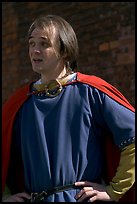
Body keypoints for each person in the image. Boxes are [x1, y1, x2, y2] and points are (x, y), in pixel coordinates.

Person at [2, 14, 135, 202]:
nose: (35, 50)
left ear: (64, 51)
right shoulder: (20, 102)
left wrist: (114, 190)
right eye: (32, 44)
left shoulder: (91, 91)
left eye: (44, 44)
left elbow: (133, 136)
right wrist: (5, 195)